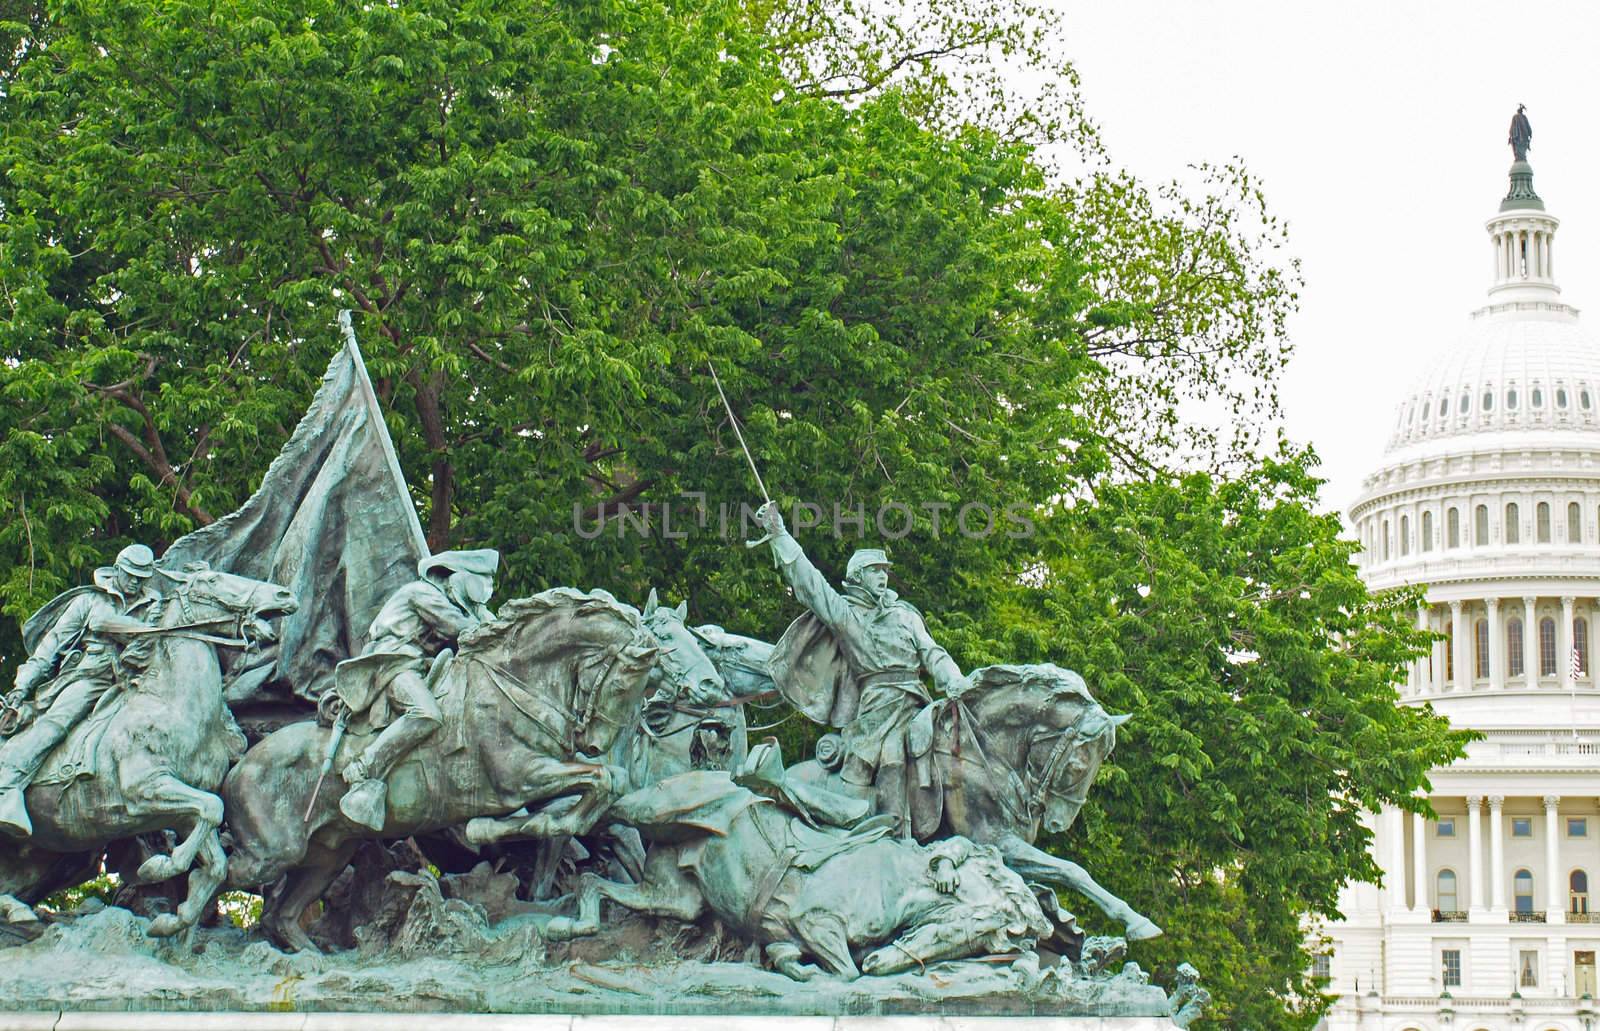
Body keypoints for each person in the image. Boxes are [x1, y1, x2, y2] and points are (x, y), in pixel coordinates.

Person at [755, 503, 966, 835]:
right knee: (891, 756)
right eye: (875, 570)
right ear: (857, 576)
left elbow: (932, 652)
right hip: (877, 707)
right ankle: (894, 834)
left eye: (885, 571)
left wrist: (954, 678)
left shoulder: (906, 615)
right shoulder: (847, 615)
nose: (883, 576)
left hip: (917, 701)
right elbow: (811, 585)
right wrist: (780, 535)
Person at [0, 544, 161, 838]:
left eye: (142, 577)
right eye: (131, 575)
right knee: (56, 724)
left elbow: (154, 644)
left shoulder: (153, 605)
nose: (136, 582)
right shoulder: (90, 602)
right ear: (118, 570)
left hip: (138, 681)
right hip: (88, 678)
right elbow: (50, 647)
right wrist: (22, 686)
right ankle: (6, 786)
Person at [333, 549, 498, 830]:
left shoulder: (445, 599)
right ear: (458, 579)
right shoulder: (422, 593)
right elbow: (462, 629)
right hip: (391, 662)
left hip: (418, 665)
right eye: (478, 586)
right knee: (426, 713)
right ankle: (365, 767)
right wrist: (484, 616)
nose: (483, 594)